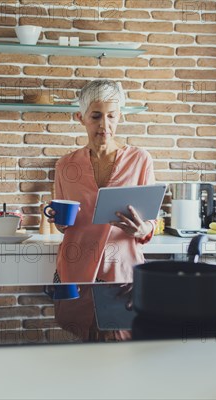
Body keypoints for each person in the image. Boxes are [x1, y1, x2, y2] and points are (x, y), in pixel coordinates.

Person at [47, 79, 156, 283]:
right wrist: (58, 222)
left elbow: (151, 221)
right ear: (81, 117)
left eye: (111, 116)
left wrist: (144, 229)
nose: (104, 125)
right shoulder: (65, 165)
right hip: (75, 272)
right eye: (96, 116)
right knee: (73, 317)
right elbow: (65, 225)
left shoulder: (140, 160)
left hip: (122, 271)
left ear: (119, 117)